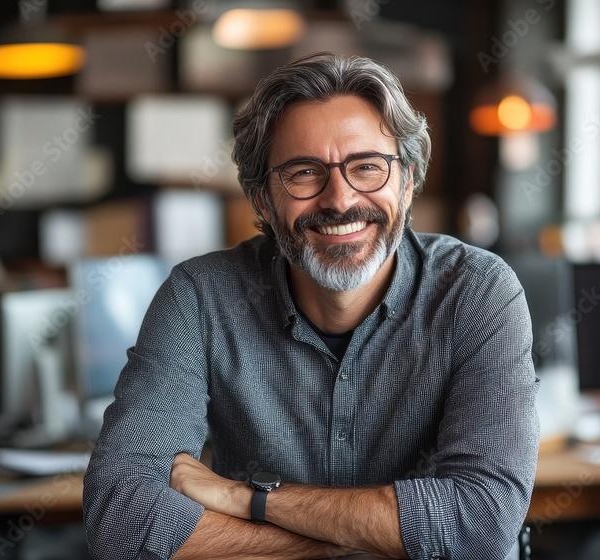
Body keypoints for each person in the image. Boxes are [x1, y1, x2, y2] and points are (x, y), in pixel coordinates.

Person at [83, 52, 539, 560]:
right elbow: (120, 519)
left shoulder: (476, 292)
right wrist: (359, 546)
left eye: (368, 167)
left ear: (407, 183)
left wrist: (248, 499)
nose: (340, 200)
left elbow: (481, 525)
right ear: (262, 200)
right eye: (304, 173)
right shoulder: (200, 298)